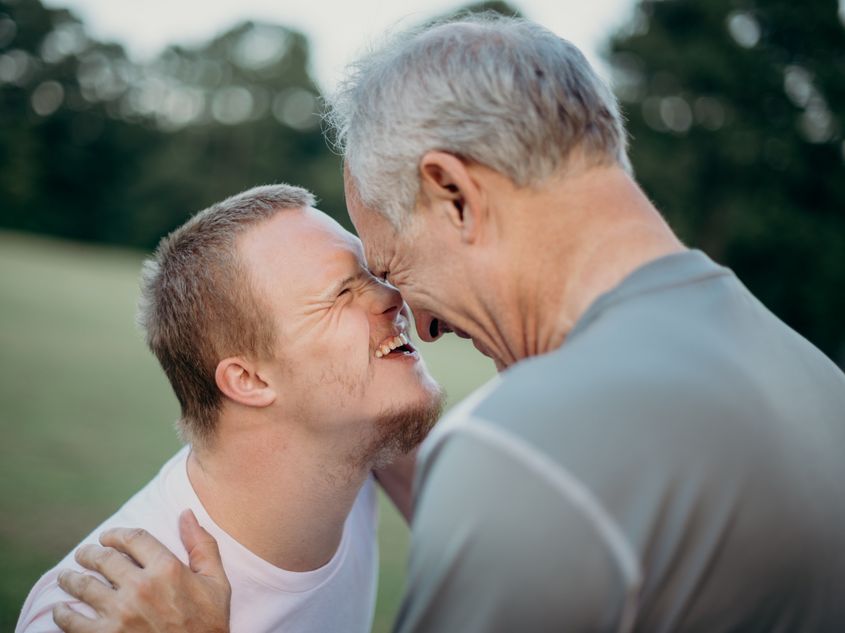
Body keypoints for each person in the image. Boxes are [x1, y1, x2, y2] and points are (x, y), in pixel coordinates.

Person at [54, 14, 845, 633]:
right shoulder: (808, 373)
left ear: (455, 195)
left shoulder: (528, 452)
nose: (419, 324)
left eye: (391, 267)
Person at [17, 184, 443, 633]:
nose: (391, 295)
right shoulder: (103, 612)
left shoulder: (360, 440)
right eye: (341, 293)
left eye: (373, 273)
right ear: (250, 380)